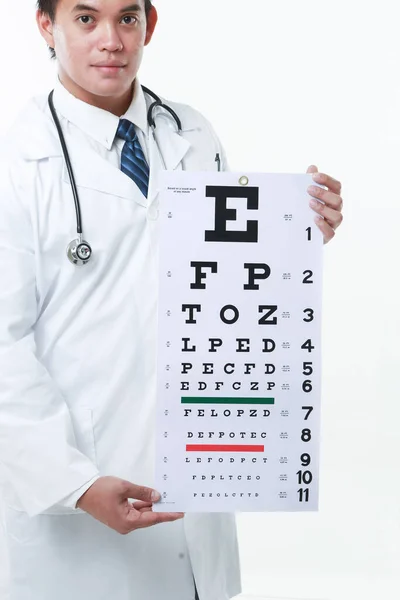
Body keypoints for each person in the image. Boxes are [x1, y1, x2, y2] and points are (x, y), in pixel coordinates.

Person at [0, 1, 344, 599]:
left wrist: (298, 231)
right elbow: (4, 345)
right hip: (77, 498)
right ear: (45, 27)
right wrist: (74, 484)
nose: (110, 40)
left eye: (126, 19)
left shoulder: (190, 133)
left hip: (201, 473)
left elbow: (226, 284)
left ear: (149, 24)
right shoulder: (15, 160)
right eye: (85, 18)